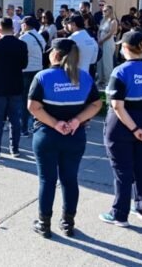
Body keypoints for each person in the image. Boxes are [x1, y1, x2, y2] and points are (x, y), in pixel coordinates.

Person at [28, 38, 102, 238]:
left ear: (56, 54)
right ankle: (68, 223)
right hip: (74, 135)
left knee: (47, 180)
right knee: (70, 180)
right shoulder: (84, 77)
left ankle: (44, 224)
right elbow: (96, 104)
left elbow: (33, 107)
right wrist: (77, 120)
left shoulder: (43, 76)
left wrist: (54, 123)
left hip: (47, 135)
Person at [100, 29, 142, 227]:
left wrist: (134, 129)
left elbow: (117, 105)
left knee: (122, 170)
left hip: (122, 124)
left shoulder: (120, 71)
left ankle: (119, 214)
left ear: (125, 48)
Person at [0, 17, 29, 159]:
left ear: (0, 29)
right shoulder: (21, 45)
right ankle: (14, 149)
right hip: (15, 85)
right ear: (13, 29)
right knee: (15, 118)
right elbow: (24, 64)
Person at [19, 16, 46, 137]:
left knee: (25, 100)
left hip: (26, 71)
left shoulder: (24, 38)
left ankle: (23, 128)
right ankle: (37, 125)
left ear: (25, 25)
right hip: (39, 70)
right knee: (37, 99)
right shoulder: (40, 36)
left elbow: (20, 55)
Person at [97, 5, 118, 87]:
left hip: (108, 42)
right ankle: (100, 79)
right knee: (100, 62)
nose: (104, 12)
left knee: (107, 62)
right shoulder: (103, 20)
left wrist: (102, 40)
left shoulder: (113, 21)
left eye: (106, 10)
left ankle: (108, 81)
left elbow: (110, 33)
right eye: (103, 10)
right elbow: (99, 31)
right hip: (101, 41)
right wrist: (98, 38)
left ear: (110, 11)